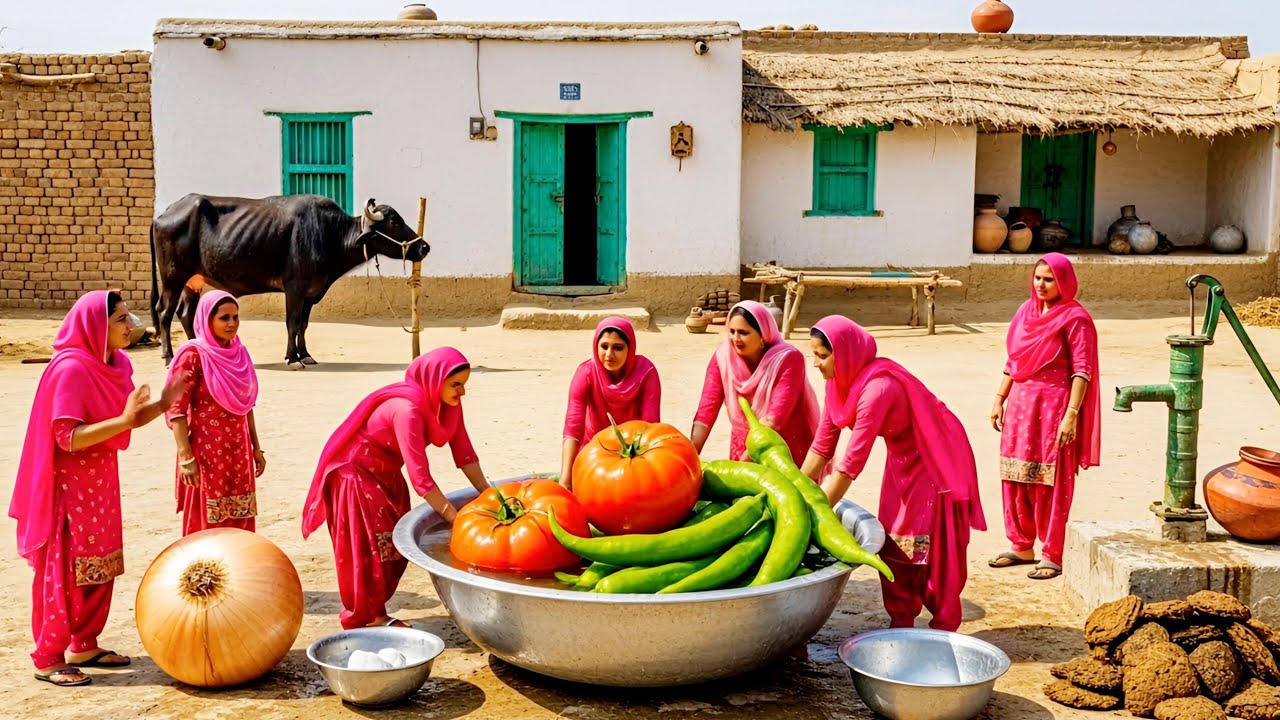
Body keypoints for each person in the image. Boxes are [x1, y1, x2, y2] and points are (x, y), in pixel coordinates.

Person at [10, 290, 186, 686]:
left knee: (100, 560)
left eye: (128, 316)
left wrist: (161, 405)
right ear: (96, 325)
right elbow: (67, 437)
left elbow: (128, 419)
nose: (131, 325)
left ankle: (84, 643)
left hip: (101, 480)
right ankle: (48, 656)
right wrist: (126, 420)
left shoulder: (117, 363)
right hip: (68, 485)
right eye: (121, 319)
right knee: (65, 565)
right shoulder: (71, 369)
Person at [800, 315, 986, 633]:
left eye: (822, 355)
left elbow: (850, 465)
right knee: (895, 537)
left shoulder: (878, 389)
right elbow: (822, 447)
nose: (816, 364)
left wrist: (814, 511)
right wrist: (796, 490)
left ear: (844, 354)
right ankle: (901, 620)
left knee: (932, 540)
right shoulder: (838, 386)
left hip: (935, 456)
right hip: (902, 458)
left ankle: (944, 625)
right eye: (814, 355)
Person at [302, 347, 491, 629]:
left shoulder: (447, 405)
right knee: (370, 547)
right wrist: (457, 519)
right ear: (435, 380)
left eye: (464, 385)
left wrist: (489, 494)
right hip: (356, 475)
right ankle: (373, 617)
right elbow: (421, 478)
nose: (461, 392)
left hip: (388, 474)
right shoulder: (408, 410)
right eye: (455, 385)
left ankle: (377, 612)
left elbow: (464, 453)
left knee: (393, 546)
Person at [988, 253, 1100, 581]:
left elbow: (1082, 370)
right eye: (1038, 277)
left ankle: (1052, 553)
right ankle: (1021, 545)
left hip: (1054, 409)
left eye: (1049, 279)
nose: (1041, 284)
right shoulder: (1026, 312)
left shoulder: (1075, 318)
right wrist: (1000, 399)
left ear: (1063, 281)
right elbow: (1014, 360)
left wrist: (1072, 415)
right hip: (1021, 408)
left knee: (1050, 481)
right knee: (1015, 476)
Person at [165, 290, 264, 536]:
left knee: (239, 515)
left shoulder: (239, 354)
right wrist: (186, 457)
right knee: (206, 523)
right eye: (224, 318)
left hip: (238, 453)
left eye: (236, 317)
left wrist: (256, 448)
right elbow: (175, 408)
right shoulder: (193, 355)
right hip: (206, 453)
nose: (232, 324)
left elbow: (246, 405)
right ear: (208, 320)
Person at [691, 300, 820, 462]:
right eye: (731, 331)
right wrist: (690, 456)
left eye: (743, 333)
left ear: (763, 334)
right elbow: (706, 413)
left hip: (783, 448)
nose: (735, 339)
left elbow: (775, 419)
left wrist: (741, 467)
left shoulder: (788, 359)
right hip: (742, 446)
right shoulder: (723, 358)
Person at [560, 317, 661, 489]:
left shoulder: (646, 373)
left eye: (618, 348)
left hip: (634, 456)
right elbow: (573, 426)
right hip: (594, 456)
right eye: (604, 346)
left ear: (630, 349)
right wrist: (565, 479)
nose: (608, 355)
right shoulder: (586, 373)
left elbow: (649, 427)